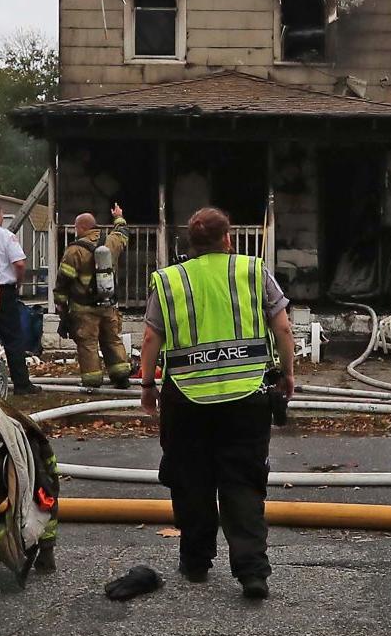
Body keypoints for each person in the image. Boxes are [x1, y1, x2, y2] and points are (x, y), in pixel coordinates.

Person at [138, 207, 296, 600]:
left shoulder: (171, 281)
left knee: (190, 480)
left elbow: (150, 340)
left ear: (190, 244)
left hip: (186, 399)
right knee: (243, 482)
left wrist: (146, 386)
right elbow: (283, 327)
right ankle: (252, 572)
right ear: (228, 239)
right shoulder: (252, 272)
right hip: (246, 398)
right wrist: (288, 374)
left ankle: (195, 562)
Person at [57, 206, 132, 389]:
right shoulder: (111, 242)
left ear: (82, 228)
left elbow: (63, 281)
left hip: (84, 310)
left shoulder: (74, 250)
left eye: (76, 228)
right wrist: (119, 216)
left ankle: (92, 382)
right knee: (112, 340)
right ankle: (121, 376)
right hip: (108, 305)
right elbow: (123, 232)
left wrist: (60, 303)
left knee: (88, 344)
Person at [0, 202, 37, 394]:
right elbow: (19, 264)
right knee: (12, 337)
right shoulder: (6, 236)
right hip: (4, 291)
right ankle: (21, 384)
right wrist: (18, 283)